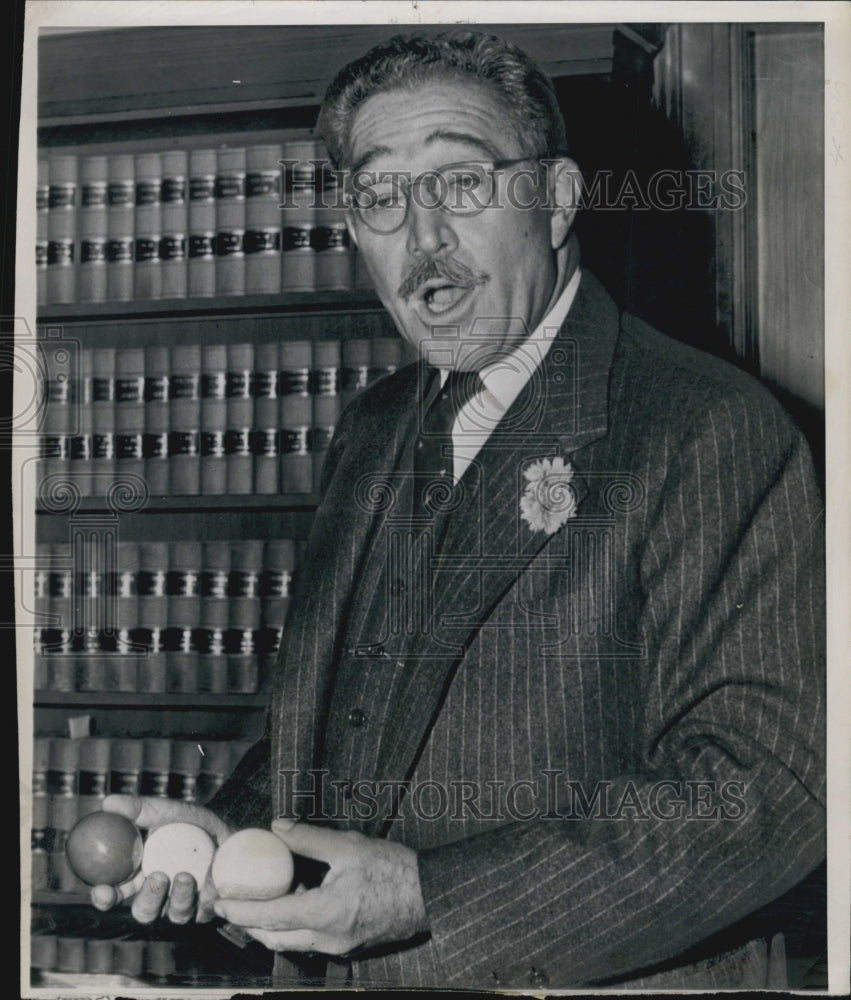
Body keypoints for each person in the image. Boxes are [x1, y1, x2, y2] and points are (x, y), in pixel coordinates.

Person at [91, 30, 826, 990]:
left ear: (557, 200)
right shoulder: (372, 428)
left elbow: (764, 789)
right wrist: (225, 834)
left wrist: (433, 896)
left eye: (462, 184)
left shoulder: (705, 427)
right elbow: (337, 727)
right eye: (382, 196)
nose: (422, 239)